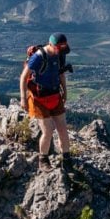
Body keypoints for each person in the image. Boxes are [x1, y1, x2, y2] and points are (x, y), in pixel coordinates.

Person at [19, 33, 72, 168]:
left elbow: (61, 73)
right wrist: (23, 98)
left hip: (55, 95)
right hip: (39, 98)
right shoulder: (38, 57)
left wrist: (65, 91)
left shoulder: (60, 54)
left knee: (62, 129)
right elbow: (24, 77)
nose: (60, 52)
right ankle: (43, 160)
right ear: (51, 45)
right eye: (58, 49)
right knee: (47, 131)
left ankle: (66, 159)